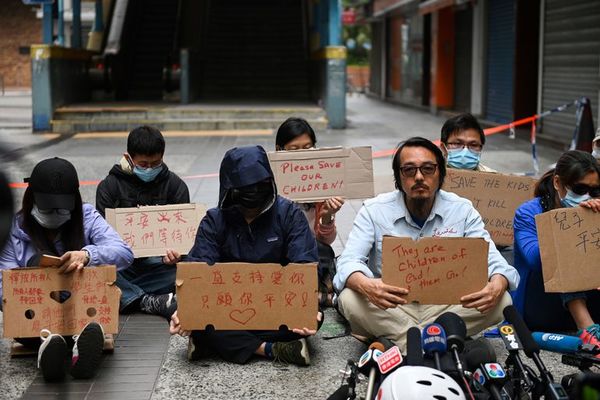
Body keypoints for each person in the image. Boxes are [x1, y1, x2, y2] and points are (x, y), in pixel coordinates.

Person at [333, 137, 519, 351]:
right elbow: (348, 261)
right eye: (409, 170)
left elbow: (494, 260)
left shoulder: (462, 210)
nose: (419, 177)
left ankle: (404, 341)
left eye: (428, 169)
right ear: (398, 177)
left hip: (448, 304)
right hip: (394, 305)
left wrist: (498, 282)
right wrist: (367, 285)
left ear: (440, 174)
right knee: (349, 299)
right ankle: (439, 338)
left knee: (502, 300)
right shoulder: (374, 210)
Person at [167, 145, 320, 366]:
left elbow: (304, 264)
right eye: (246, 187)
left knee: (312, 320)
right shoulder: (215, 220)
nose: (254, 192)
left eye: (259, 185)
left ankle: (211, 344)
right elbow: (197, 268)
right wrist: (187, 308)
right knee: (192, 316)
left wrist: (307, 305)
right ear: (230, 188)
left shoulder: (289, 214)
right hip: (228, 307)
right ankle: (270, 349)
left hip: (276, 305)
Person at [0, 157, 134, 381]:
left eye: (61, 206)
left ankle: (76, 348)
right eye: (47, 205)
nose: (54, 212)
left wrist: (88, 255)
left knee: (91, 324)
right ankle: (53, 349)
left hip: (82, 309)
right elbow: (4, 284)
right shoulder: (15, 229)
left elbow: (124, 253)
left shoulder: (87, 217)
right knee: (43, 334)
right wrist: (35, 288)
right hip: (34, 317)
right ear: (31, 198)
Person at [96, 126, 189, 319]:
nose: (149, 169)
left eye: (155, 164)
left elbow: (184, 240)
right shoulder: (109, 187)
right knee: (96, 270)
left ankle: (127, 295)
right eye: (143, 164)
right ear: (128, 158)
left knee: (189, 271)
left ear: (163, 157)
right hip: (123, 266)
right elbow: (100, 239)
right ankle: (149, 300)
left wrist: (174, 255)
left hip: (159, 265)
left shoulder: (175, 186)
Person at [513, 150, 600, 340]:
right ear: (557, 183)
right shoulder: (528, 212)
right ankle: (587, 328)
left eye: (593, 191)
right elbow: (537, 260)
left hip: (591, 298)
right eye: (579, 189)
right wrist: (572, 223)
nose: (587, 197)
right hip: (541, 305)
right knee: (566, 256)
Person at [275, 117, 344, 306]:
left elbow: (325, 241)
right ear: (279, 150)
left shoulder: (321, 185)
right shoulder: (271, 186)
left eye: (307, 148)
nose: (302, 155)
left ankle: (312, 293)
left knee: (324, 252)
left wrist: (328, 216)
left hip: (310, 253)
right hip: (278, 253)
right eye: (294, 149)